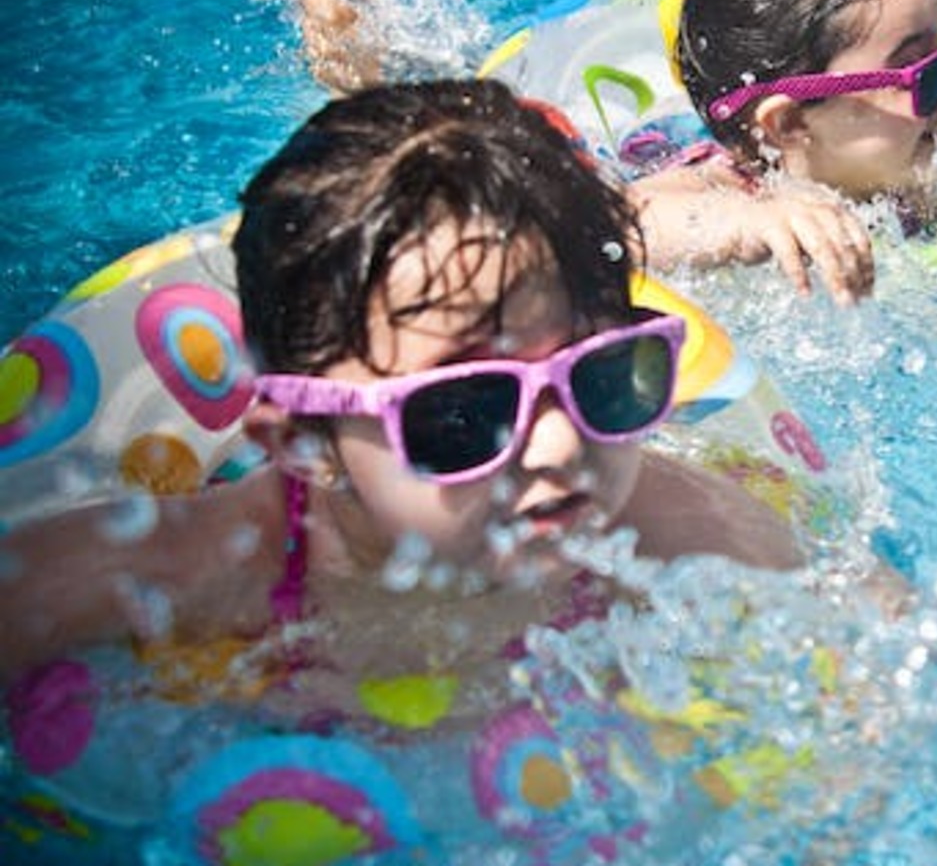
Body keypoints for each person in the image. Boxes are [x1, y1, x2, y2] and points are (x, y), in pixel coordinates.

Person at [0, 80, 805, 706]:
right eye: (466, 411)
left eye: (601, 377)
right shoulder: (174, 578)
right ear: (301, 444)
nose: (561, 445)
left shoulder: (682, 535)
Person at [293, 0, 937, 307]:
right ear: (785, 125)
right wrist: (749, 220)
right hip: (615, 156)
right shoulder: (719, 180)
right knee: (367, 107)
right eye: (924, 73)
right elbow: (617, 232)